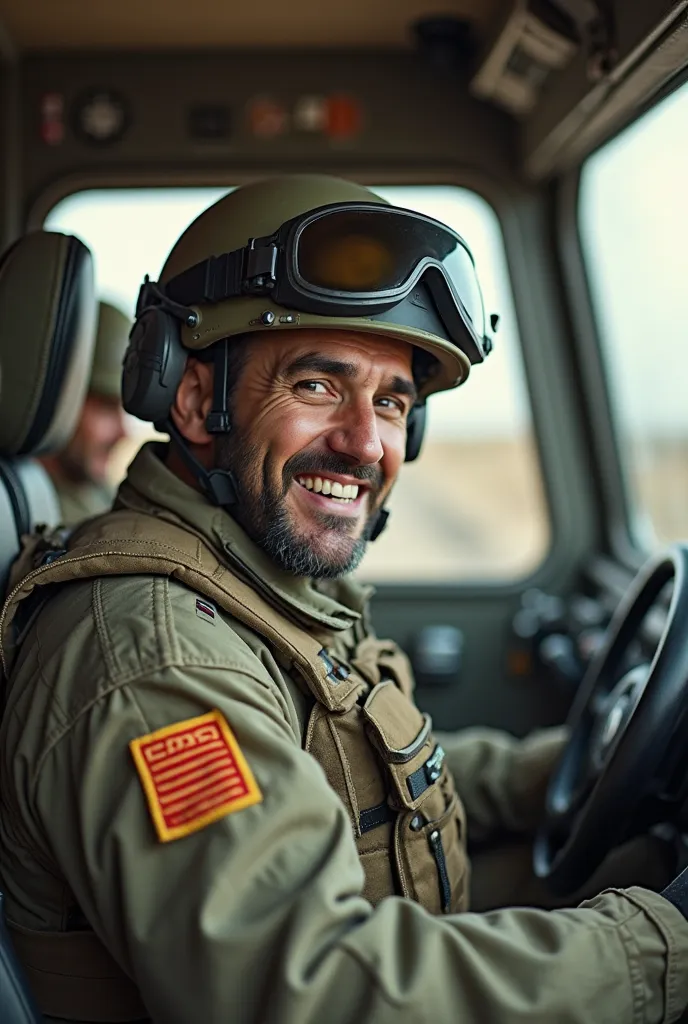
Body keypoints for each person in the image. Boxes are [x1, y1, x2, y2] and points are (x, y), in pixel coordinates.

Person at [1, 174, 688, 1024]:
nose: (366, 443)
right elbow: (312, 989)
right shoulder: (154, 659)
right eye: (317, 385)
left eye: (393, 402)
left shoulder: (257, 579)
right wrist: (666, 948)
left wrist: (571, 768)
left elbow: (354, 771)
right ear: (192, 399)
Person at [39, 299, 129, 526]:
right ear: (56, 398)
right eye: (106, 407)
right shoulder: (20, 508)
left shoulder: (103, 495)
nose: (123, 433)